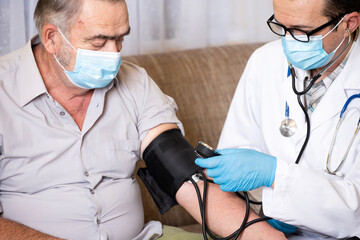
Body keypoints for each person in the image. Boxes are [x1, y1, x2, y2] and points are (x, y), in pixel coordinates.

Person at [0, 0, 287, 239]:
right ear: (51, 38)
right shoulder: (4, 92)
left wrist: (263, 236)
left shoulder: (135, 83)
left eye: (120, 38)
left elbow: (185, 178)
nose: (114, 55)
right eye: (99, 42)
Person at [195, 0, 360, 239]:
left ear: (349, 24)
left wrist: (273, 174)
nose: (288, 41)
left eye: (301, 31)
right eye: (281, 27)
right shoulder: (265, 61)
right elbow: (235, 155)